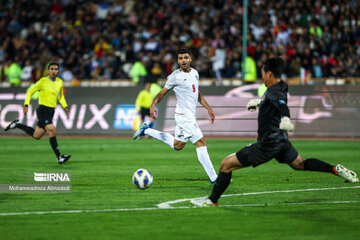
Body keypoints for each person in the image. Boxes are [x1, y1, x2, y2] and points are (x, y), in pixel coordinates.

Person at [191, 57, 359, 207]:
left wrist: (286, 118)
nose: (262, 77)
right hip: (281, 140)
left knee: (226, 165)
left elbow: (282, 105)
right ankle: (335, 169)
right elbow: (276, 100)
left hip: (268, 143)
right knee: (300, 164)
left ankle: (212, 201)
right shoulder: (282, 85)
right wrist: (260, 103)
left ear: (269, 74)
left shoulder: (274, 92)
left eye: (263, 73)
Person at [133, 48, 218, 183]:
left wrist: (208, 108)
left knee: (177, 145)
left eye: (185, 58)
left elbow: (197, 94)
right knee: (200, 142)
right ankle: (215, 178)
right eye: (180, 58)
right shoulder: (175, 76)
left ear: (190, 59)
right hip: (184, 116)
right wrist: (153, 104)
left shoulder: (195, 73)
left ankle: (146, 129)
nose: (183, 60)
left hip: (189, 115)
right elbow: (162, 93)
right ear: (178, 61)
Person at [4, 62, 71, 164]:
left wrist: (65, 107)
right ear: (48, 71)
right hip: (43, 110)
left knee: (37, 135)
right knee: (52, 130)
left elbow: (60, 96)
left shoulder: (59, 82)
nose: (54, 71)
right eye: (52, 69)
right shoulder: (42, 81)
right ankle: (59, 157)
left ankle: (17, 124)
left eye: (56, 69)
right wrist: (26, 104)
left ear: (58, 71)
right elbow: (30, 92)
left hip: (51, 111)